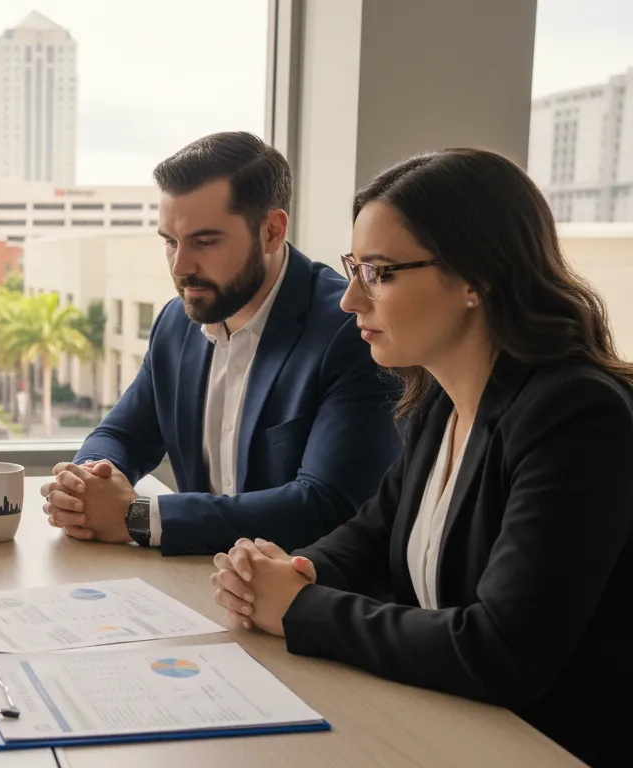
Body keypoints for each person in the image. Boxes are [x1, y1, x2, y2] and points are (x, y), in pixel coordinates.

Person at [210, 148, 633, 767]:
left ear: (475, 278)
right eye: (353, 267)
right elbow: (371, 534)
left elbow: (502, 650)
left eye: (379, 272)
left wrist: (300, 608)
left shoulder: (576, 417)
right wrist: (287, 571)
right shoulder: (441, 401)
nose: (350, 300)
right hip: (448, 728)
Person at [41, 132, 401, 555]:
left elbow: (326, 504)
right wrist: (85, 484)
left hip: (304, 601)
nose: (181, 266)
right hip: (195, 583)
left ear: (271, 230)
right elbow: (123, 433)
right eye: (170, 242)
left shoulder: (350, 329)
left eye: (204, 242)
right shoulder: (177, 321)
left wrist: (136, 517)